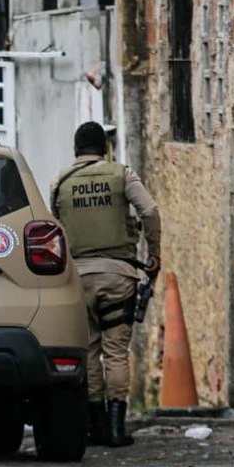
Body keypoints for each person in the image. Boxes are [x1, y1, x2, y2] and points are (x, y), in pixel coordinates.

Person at [50, 122, 161, 448]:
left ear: (75, 150)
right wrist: (155, 254)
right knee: (116, 352)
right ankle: (115, 429)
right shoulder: (122, 174)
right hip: (118, 276)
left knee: (90, 351)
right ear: (105, 148)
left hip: (76, 279)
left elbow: (53, 225)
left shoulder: (60, 180)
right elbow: (150, 211)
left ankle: (96, 426)